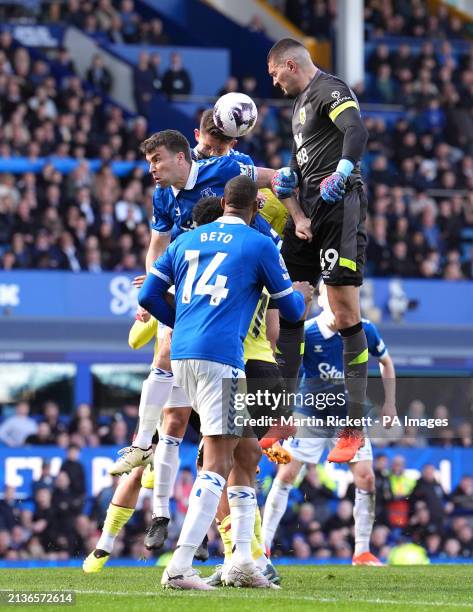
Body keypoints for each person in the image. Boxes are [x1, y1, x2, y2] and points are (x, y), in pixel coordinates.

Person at [138, 175, 313, 589]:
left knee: (247, 450)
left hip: (181, 357)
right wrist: (301, 294)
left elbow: (147, 295)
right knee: (217, 462)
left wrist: (182, 326)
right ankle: (179, 566)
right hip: (222, 359)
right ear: (255, 208)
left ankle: (243, 563)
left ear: (222, 205)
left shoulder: (185, 241)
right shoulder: (258, 244)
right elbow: (291, 311)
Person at [109, 128, 311, 477]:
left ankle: (258, 429)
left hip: (237, 277)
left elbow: (276, 177)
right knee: (166, 365)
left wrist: (298, 216)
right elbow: (157, 246)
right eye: (149, 162)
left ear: (182, 157)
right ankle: (145, 447)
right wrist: (157, 278)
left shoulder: (225, 170)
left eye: (157, 160)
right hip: (194, 286)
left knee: (269, 341)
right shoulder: (162, 196)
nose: (152, 169)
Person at [267, 38, 370, 462]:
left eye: (276, 74)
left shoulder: (331, 89)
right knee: (291, 307)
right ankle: (283, 413)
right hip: (307, 214)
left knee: (343, 311)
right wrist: (293, 202)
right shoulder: (298, 108)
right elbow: (298, 166)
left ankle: (354, 425)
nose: (275, 83)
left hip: (340, 206)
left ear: (291, 64)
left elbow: (356, 131)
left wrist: (344, 170)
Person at [261, 282, 397, 565]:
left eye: (346, 299)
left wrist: (390, 403)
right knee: (286, 476)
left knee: (367, 478)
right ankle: (263, 545)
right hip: (309, 414)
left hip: (347, 419)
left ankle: (361, 551)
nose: (341, 305)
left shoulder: (364, 329)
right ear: (323, 299)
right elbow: (282, 366)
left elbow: (386, 361)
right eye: (334, 298)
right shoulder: (307, 333)